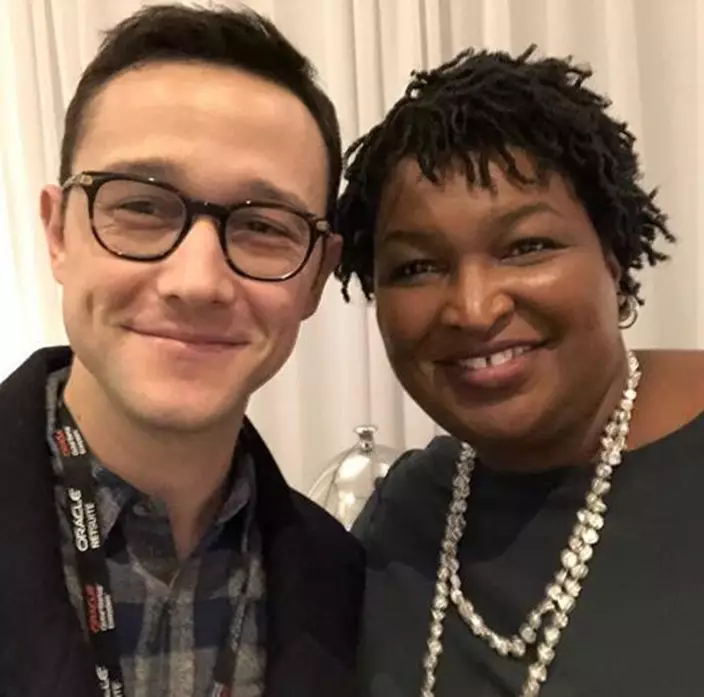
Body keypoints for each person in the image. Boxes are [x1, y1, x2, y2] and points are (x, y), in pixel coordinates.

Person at [0, 5, 364, 697]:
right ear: (58, 233)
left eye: (264, 226)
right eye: (141, 207)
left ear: (317, 276)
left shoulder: (345, 580)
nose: (197, 282)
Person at [336, 45, 704, 697]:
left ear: (614, 257)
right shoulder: (407, 513)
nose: (474, 309)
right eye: (417, 266)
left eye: (527, 246)